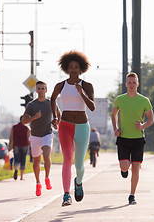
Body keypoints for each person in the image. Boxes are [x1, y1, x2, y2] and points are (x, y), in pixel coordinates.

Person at [51, 50, 95, 206]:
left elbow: (92, 107)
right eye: (71, 67)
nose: (73, 70)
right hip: (65, 126)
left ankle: (78, 182)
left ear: (81, 69)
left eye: (76, 67)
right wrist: (55, 116)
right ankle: (65, 195)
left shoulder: (87, 85)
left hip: (82, 127)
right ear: (66, 69)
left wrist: (81, 92)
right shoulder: (60, 85)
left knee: (79, 165)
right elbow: (53, 98)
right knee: (67, 158)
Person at [111, 72, 154, 205]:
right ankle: (123, 170)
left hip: (138, 139)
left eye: (134, 83)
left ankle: (132, 195)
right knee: (125, 167)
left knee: (135, 168)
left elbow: (151, 119)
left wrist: (142, 125)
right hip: (123, 138)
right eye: (129, 83)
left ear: (137, 84)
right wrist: (115, 128)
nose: (131, 85)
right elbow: (113, 115)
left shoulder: (144, 100)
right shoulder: (120, 99)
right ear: (126, 84)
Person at [22, 81, 61, 196]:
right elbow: (24, 121)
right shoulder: (31, 105)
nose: (41, 90)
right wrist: (34, 117)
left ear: (46, 90)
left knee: (46, 156)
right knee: (37, 161)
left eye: (43, 88)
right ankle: (38, 183)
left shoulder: (51, 103)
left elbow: (58, 114)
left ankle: (47, 178)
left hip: (47, 134)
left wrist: (56, 122)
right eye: (38, 88)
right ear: (36, 90)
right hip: (35, 136)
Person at [8, 116, 31, 180]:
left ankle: (16, 169)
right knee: (23, 159)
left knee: (17, 159)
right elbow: (28, 138)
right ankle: (21, 176)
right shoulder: (27, 128)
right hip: (24, 145)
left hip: (16, 145)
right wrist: (30, 147)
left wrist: (10, 146)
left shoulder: (14, 127)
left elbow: (11, 137)